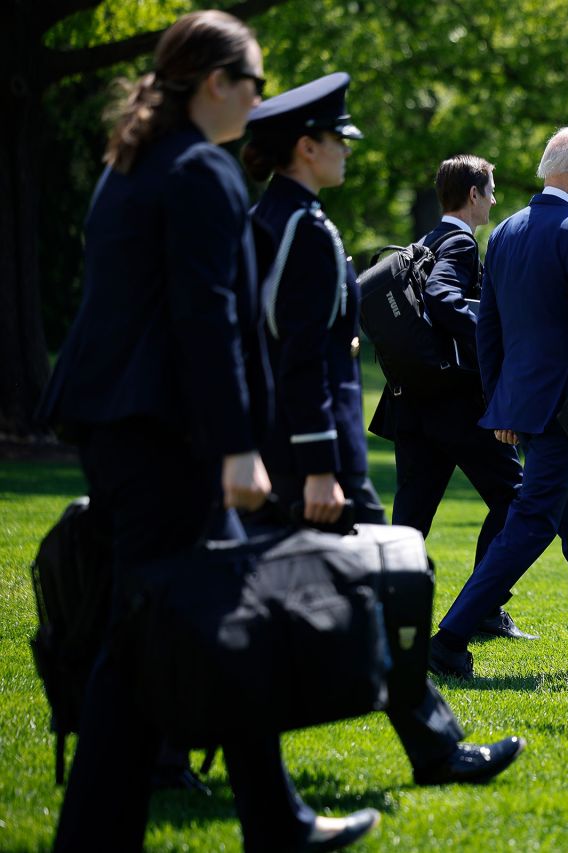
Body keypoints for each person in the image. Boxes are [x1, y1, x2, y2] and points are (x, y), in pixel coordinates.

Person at [36, 12, 377, 850]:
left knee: (190, 619)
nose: (261, 102)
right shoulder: (201, 172)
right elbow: (207, 319)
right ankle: (246, 820)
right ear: (216, 83)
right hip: (167, 438)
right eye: (255, 84)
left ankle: (268, 815)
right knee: (167, 625)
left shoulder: (135, 162)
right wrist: (236, 446)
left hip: (118, 424)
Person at [242, 74, 525, 786]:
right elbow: (303, 360)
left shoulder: (261, 222)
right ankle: (431, 745)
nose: (345, 150)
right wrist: (317, 465)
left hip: (298, 446)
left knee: (386, 579)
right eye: (337, 139)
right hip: (312, 457)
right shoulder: (304, 231)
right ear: (306, 147)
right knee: (381, 585)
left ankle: (432, 746)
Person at [429, 126, 568, 679]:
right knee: (532, 523)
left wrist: (502, 404)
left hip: (529, 406)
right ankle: (448, 638)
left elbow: (488, 330)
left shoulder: (505, 232)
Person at [368, 155, 534, 641]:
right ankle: (483, 606)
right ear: (475, 194)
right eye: (492, 190)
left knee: (411, 521)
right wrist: (494, 334)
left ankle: (383, 618)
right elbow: (443, 299)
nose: (496, 199)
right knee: (515, 498)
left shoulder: (425, 240)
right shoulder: (460, 242)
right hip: (457, 407)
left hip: (412, 405)